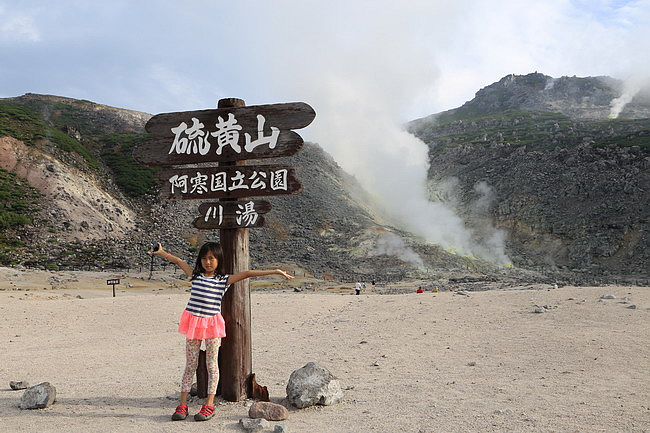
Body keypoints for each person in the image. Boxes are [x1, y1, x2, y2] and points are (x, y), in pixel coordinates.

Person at [150, 242, 293, 422]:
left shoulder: (223, 280)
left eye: (211, 258)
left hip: (212, 326)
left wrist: (275, 271)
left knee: (212, 365)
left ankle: (209, 404)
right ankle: (183, 404)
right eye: (204, 258)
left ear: (218, 260)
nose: (207, 262)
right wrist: (162, 252)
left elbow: (247, 274)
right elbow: (179, 261)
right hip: (193, 323)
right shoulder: (195, 276)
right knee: (190, 365)